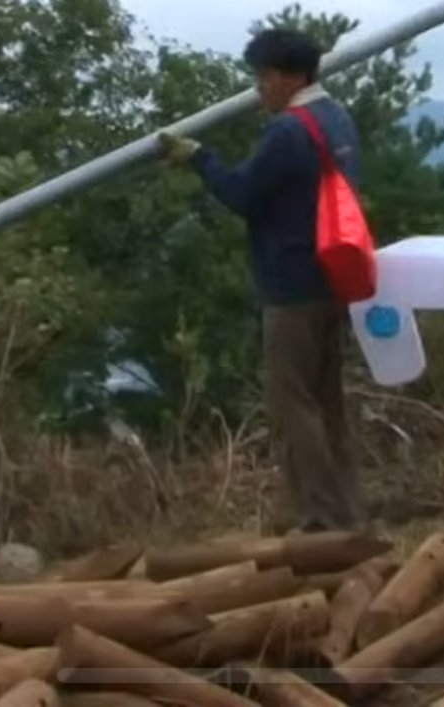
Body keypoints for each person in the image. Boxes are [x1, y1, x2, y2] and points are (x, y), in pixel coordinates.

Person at [157, 28, 366, 532]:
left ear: (290, 76)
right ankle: (349, 514)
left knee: (291, 403)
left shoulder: (286, 132)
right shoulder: (335, 117)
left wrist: (199, 158)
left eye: (264, 77)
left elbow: (244, 195)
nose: (258, 90)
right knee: (327, 402)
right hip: (332, 275)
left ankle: (321, 520)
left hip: (292, 285)